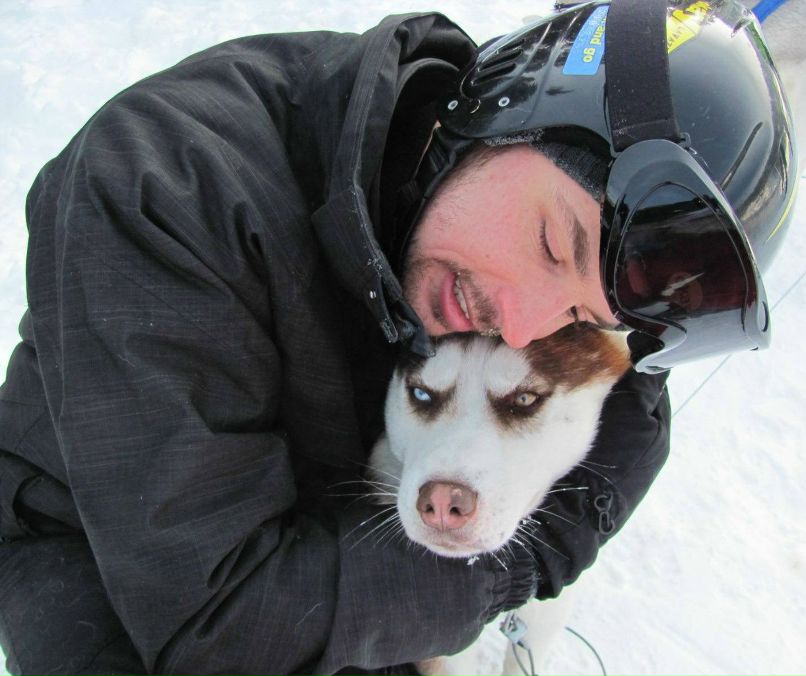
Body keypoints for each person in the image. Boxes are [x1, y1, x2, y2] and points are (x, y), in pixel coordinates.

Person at [0, 0, 796, 674]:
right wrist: (512, 562)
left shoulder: (471, 232)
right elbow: (223, 625)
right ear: (508, 108)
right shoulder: (163, 189)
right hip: (112, 557)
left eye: (578, 317)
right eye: (556, 245)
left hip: (329, 518)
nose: (522, 324)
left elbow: (632, 412)